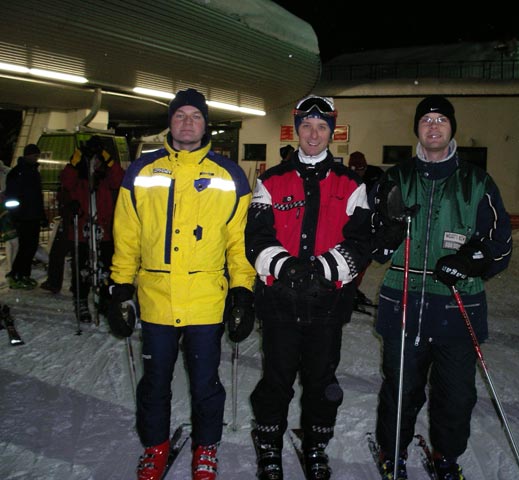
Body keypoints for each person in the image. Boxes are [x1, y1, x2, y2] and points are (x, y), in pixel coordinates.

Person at [108, 87, 256, 480]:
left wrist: (243, 291)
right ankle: (155, 445)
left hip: (206, 300)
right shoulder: (142, 170)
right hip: (156, 297)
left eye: (195, 116)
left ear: (206, 124)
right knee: (155, 380)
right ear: (169, 122)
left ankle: (206, 447)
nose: (187, 122)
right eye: (180, 115)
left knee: (206, 382)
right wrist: (120, 286)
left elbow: (238, 243)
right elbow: (128, 235)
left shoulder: (230, 175)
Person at [371, 95, 512, 480]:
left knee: (456, 395)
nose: (433, 126)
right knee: (401, 388)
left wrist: (468, 261)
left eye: (441, 120)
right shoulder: (396, 178)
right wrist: (389, 229)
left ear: (452, 129)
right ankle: (393, 451)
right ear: (417, 128)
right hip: (403, 301)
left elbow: (500, 246)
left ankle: (446, 457)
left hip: (455, 305)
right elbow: (373, 240)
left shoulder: (477, 181)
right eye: (426, 120)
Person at [245, 94, 371, 480]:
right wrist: (286, 269)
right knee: (276, 379)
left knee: (321, 382)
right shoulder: (270, 181)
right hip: (280, 304)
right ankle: (269, 445)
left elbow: (360, 242)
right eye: (306, 126)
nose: (313, 134)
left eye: (321, 127)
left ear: (331, 133)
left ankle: (316, 444)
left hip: (326, 306)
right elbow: (256, 237)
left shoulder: (352, 184)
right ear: (296, 129)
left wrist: (322, 270)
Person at [60, 135, 124, 323]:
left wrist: (108, 158)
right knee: (81, 268)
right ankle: (81, 301)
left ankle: (104, 300)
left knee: (105, 267)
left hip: (103, 230)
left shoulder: (105, 176)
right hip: (81, 229)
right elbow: (66, 181)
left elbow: (119, 179)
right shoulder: (77, 173)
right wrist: (76, 161)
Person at [4, 144, 47, 289]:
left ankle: (24, 274)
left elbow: (37, 197)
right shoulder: (18, 173)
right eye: (35, 156)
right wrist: (15, 215)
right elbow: (11, 197)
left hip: (32, 215)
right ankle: (16, 274)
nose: (36, 158)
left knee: (30, 247)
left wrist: (41, 215)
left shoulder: (33, 173)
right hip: (23, 217)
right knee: (24, 248)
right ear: (27, 155)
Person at [347, 151, 384, 308]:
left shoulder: (376, 174)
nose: (359, 172)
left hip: (371, 225)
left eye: (361, 168)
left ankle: (353, 289)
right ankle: (349, 290)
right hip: (352, 226)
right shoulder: (347, 177)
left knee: (365, 260)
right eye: (355, 169)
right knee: (352, 260)